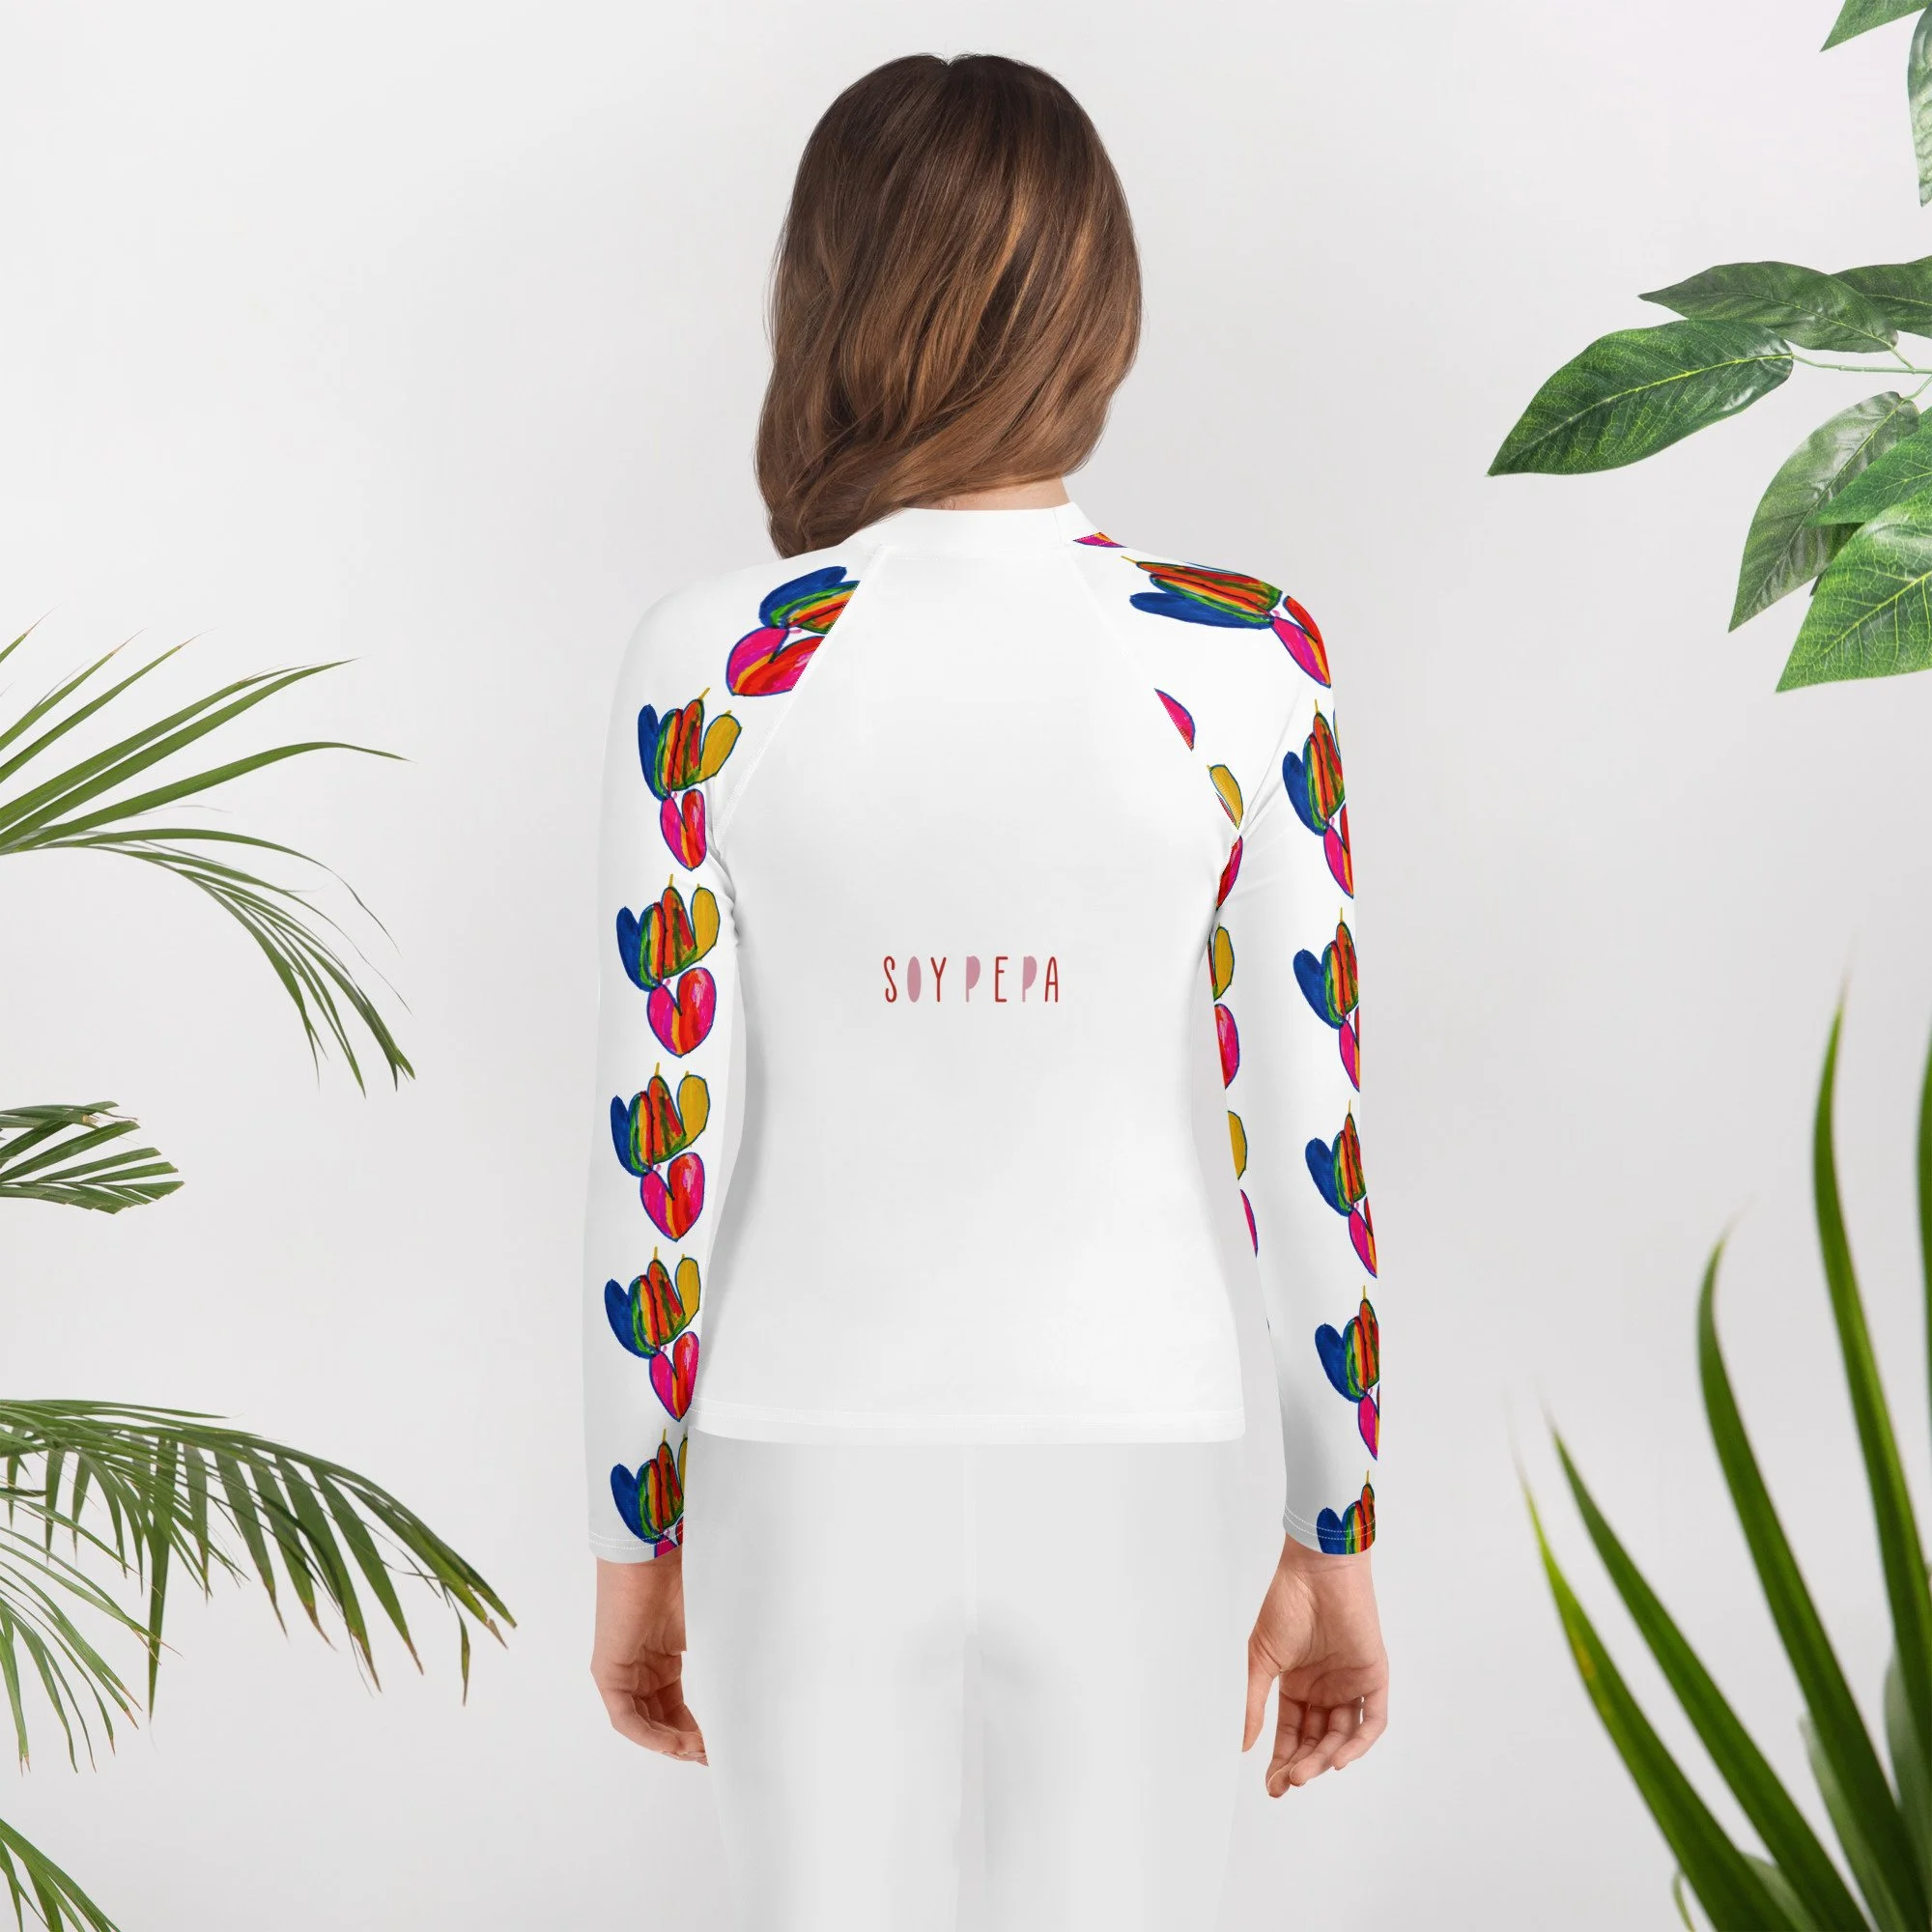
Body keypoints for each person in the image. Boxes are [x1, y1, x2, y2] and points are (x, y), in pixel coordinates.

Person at [582, 50, 1388, 1932]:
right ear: (1100, 307)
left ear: (824, 295)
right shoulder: (1244, 658)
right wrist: (1335, 1533)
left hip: (800, 1460)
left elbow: (654, 1150)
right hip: (1136, 1459)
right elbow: (1309, 1135)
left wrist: (634, 1544)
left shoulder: (715, 663)